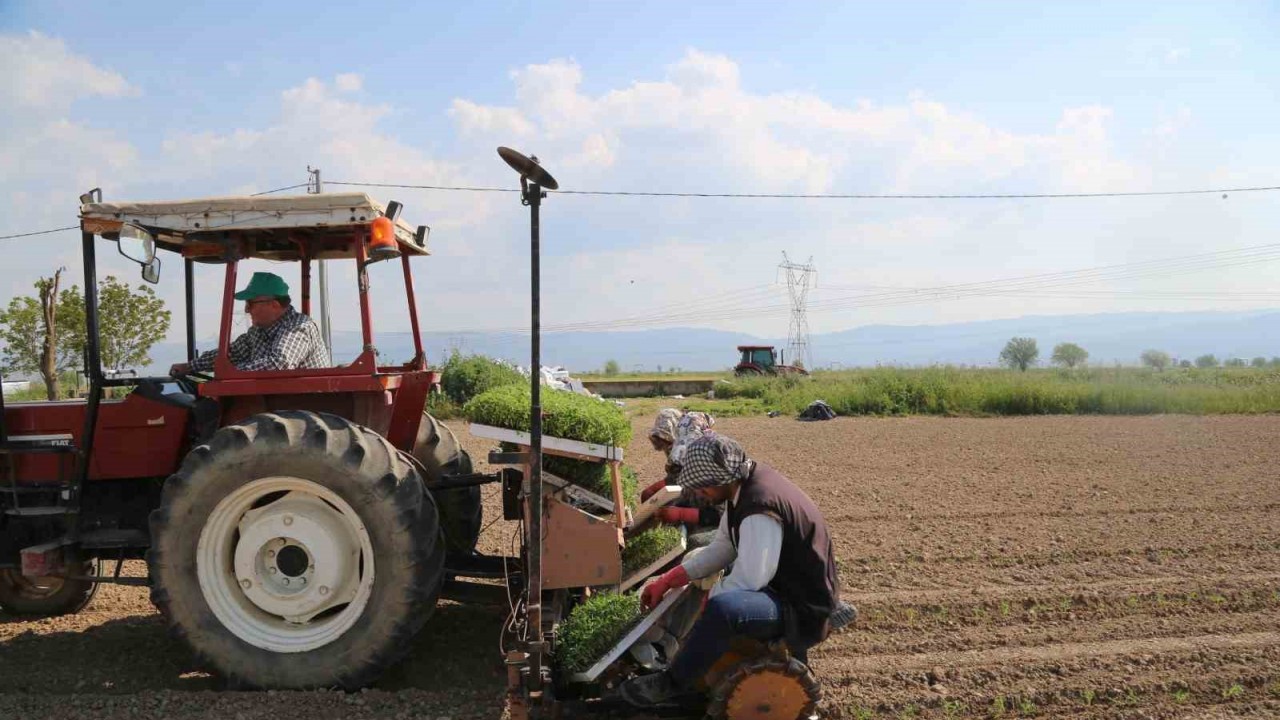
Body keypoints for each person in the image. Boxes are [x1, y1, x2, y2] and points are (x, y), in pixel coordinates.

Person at [620, 435, 841, 709]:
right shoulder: (743, 487)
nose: (701, 494)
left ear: (721, 478)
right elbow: (723, 546)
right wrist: (671, 579)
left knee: (724, 609)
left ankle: (672, 683)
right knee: (718, 596)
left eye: (704, 488)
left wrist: (707, 607)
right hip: (785, 588)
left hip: (802, 607)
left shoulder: (760, 508)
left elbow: (751, 579)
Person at [169, 272, 330, 375]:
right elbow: (232, 354)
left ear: (274, 304)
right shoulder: (258, 331)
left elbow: (279, 363)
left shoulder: (299, 326)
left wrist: (230, 373)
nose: (246, 310)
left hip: (299, 407)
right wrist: (189, 367)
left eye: (251, 304)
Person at [641, 409, 719, 528]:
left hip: (719, 524)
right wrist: (660, 490)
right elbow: (677, 482)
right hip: (697, 504)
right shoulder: (682, 458)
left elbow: (723, 515)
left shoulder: (717, 466)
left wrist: (683, 514)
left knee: (696, 540)